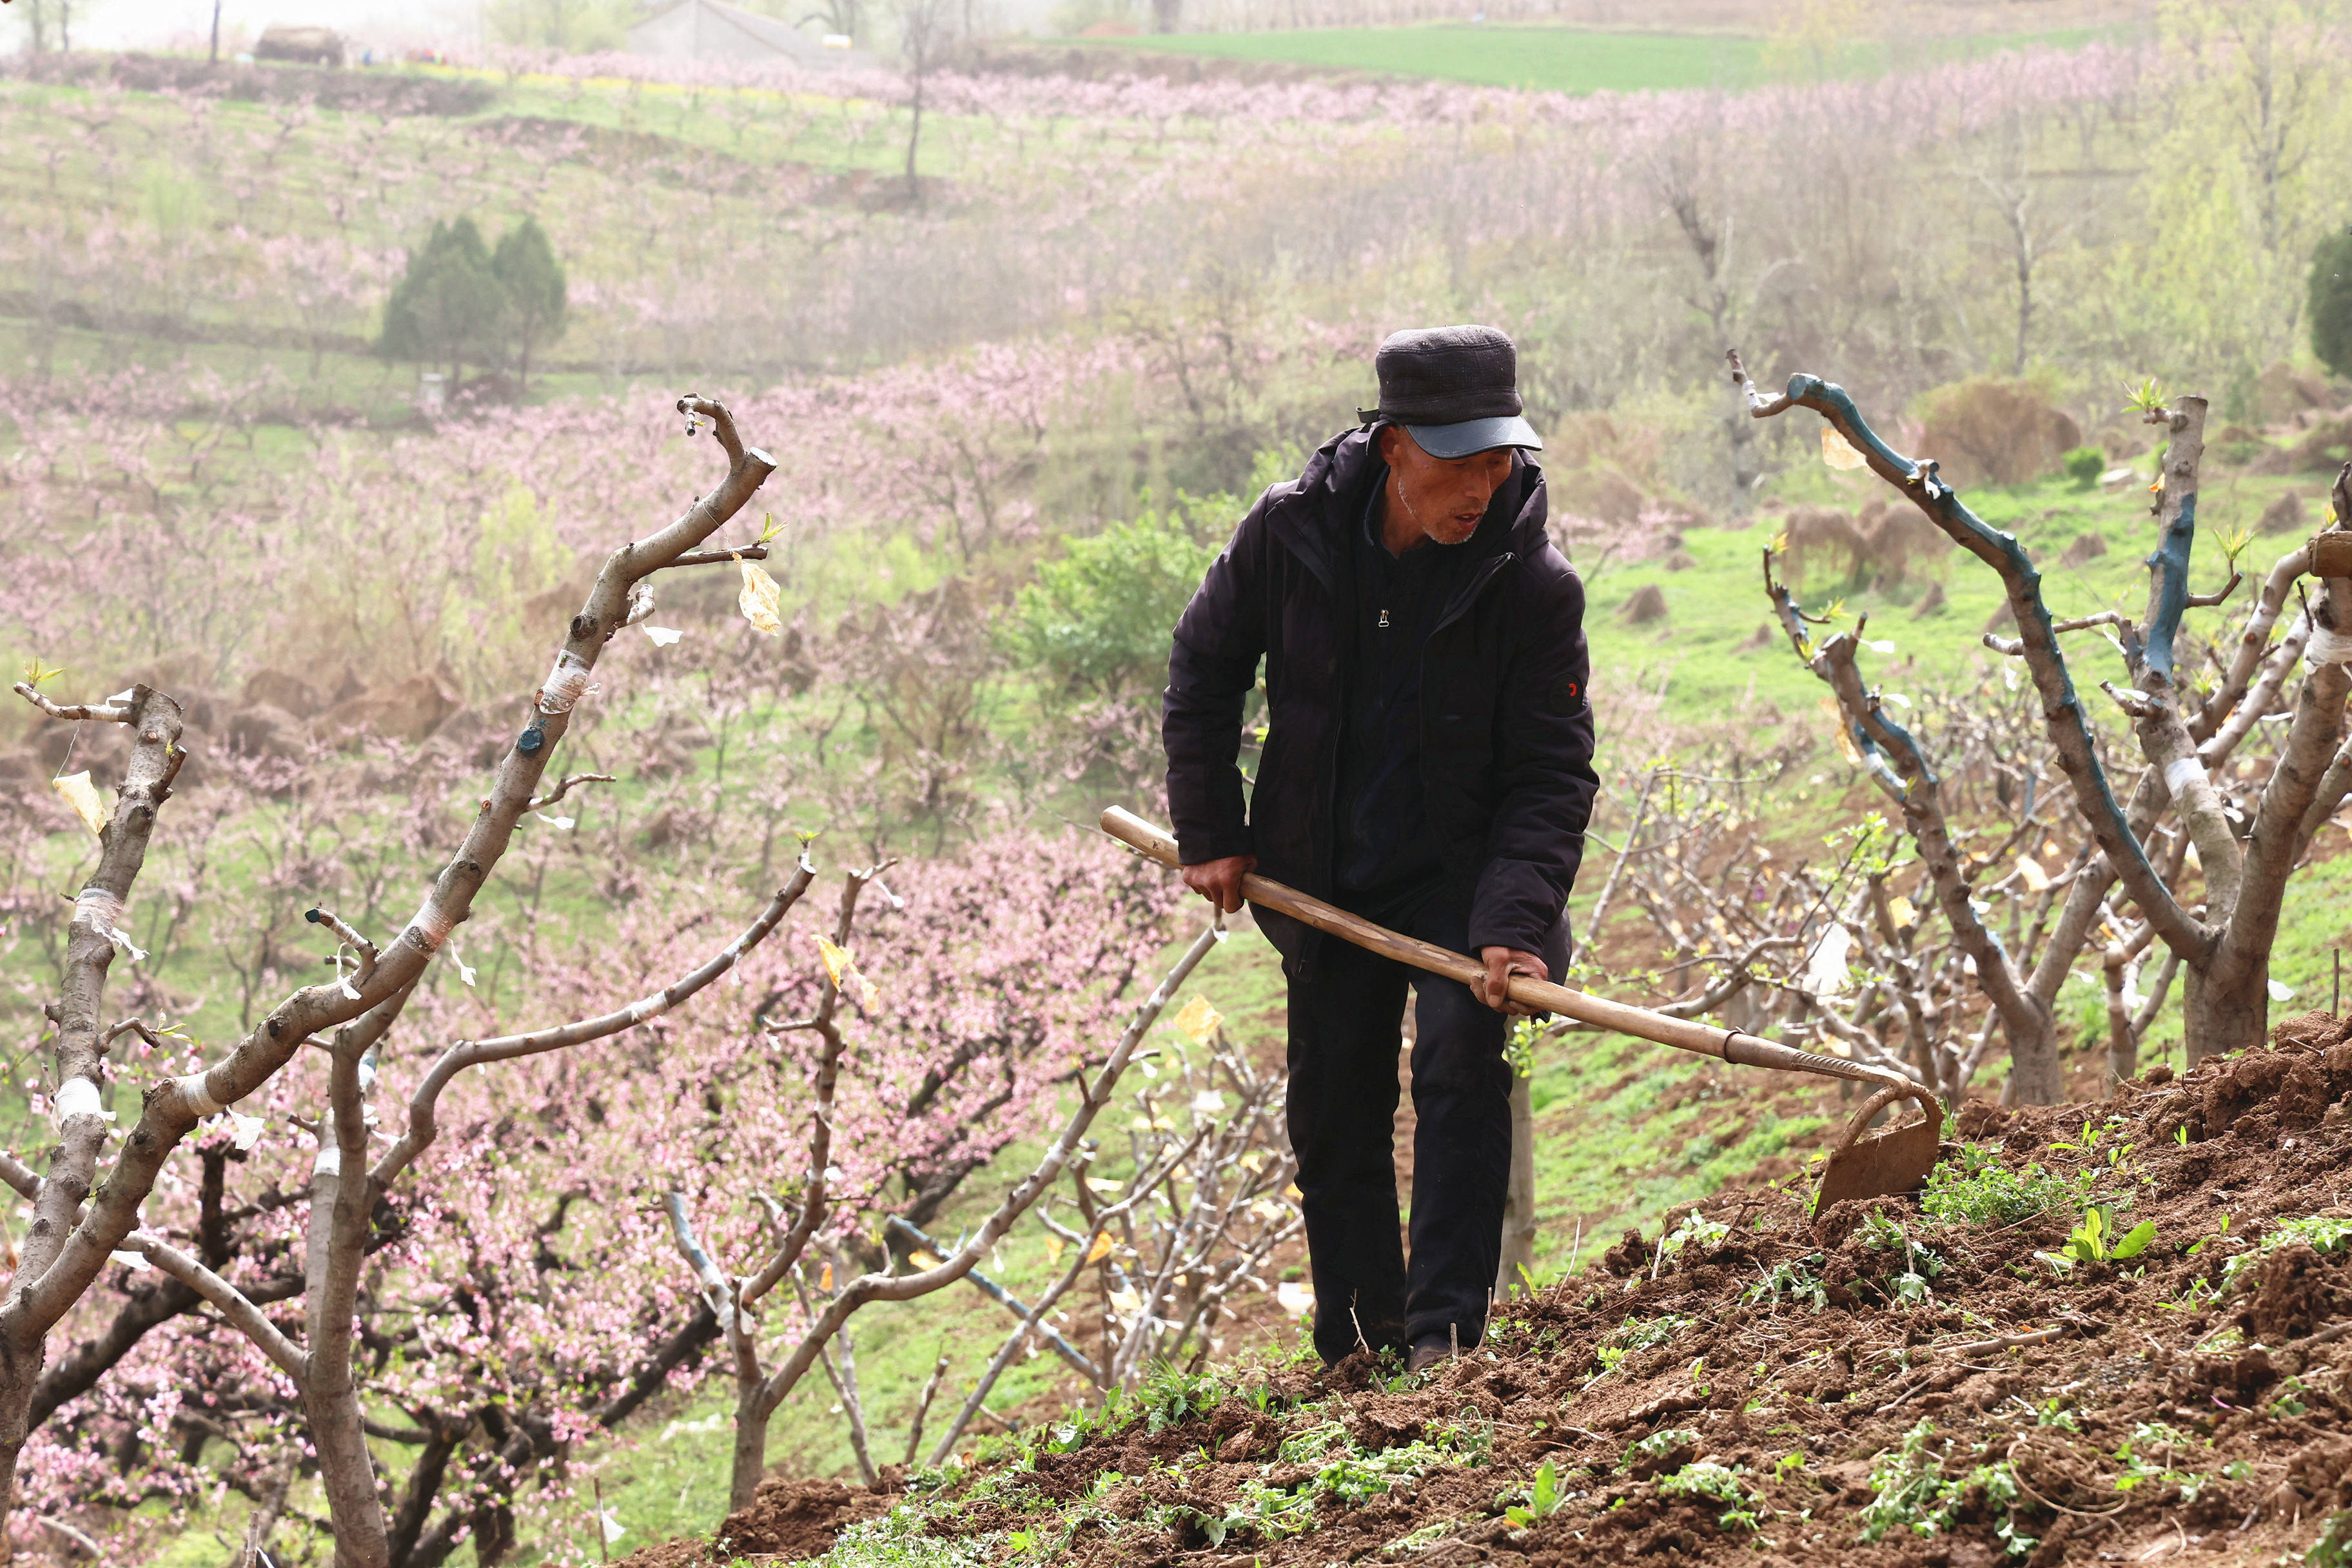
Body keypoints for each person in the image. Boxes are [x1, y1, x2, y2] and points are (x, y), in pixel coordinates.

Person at [1162, 324, 1597, 1372]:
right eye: (1460, 465)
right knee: (1334, 1106)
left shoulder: (1533, 582)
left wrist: (1514, 927)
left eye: (1500, 463)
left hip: (1468, 882)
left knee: (1460, 1069)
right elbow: (1204, 668)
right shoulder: (1290, 533)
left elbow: (1553, 775)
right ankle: (1361, 1343)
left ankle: (1443, 1338)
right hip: (1326, 875)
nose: (1482, 489)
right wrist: (1214, 830)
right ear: (1395, 446)